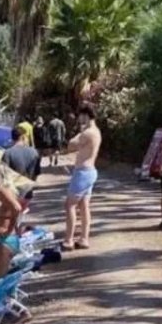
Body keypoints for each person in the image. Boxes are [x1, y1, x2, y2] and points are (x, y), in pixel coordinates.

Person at [63, 104, 102, 251]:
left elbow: (70, 146)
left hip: (83, 172)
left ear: (85, 115)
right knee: (84, 205)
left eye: (80, 115)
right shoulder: (96, 131)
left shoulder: (88, 133)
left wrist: (80, 132)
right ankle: (84, 238)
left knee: (70, 205)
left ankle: (69, 240)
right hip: (89, 171)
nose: (79, 118)